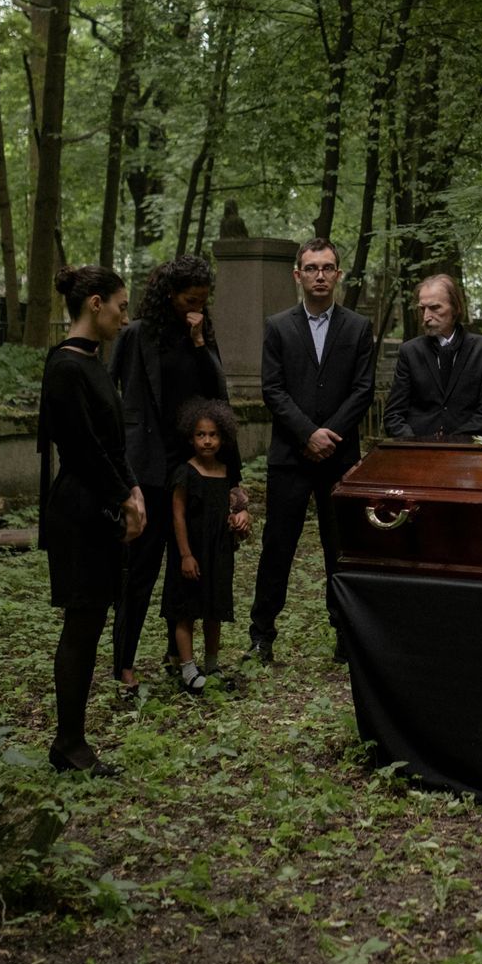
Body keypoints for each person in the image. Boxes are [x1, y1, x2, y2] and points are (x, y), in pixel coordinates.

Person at [108, 254, 248, 690]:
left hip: (194, 467)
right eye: (190, 299)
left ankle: (177, 654)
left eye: (203, 300)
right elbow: (112, 394)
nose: (196, 307)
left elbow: (219, 397)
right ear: (169, 294)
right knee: (140, 569)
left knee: (190, 563)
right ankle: (124, 663)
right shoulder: (137, 335)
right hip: (148, 466)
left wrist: (200, 341)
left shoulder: (202, 333)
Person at [39, 265, 146, 775]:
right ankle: (69, 744)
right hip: (80, 509)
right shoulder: (65, 366)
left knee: (93, 619)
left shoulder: (92, 360)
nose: (125, 317)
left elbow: (112, 440)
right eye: (121, 306)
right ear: (95, 303)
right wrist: (123, 496)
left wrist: (133, 488)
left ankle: (72, 741)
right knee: (82, 624)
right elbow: (81, 447)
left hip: (100, 501)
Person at [248, 238, 376, 665]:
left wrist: (329, 435)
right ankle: (262, 635)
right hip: (290, 456)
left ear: (338, 274)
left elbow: (363, 390)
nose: (319, 275)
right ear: (297, 275)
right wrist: (307, 434)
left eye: (327, 268)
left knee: (339, 547)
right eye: (311, 268)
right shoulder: (278, 326)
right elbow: (273, 389)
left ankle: (344, 633)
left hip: (339, 457)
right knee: (277, 546)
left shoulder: (357, 327)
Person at [164, 398, 241, 693]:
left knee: (213, 608)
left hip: (217, 551)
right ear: (190, 438)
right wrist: (185, 554)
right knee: (186, 609)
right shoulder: (185, 472)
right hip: (191, 551)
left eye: (213, 435)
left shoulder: (225, 472)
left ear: (223, 437)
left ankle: (212, 664)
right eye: (200, 434)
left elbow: (231, 507)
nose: (207, 441)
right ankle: (187, 667)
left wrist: (238, 518)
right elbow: (177, 515)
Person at [383, 273, 482, 438]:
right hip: (416, 448)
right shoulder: (410, 352)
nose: (426, 317)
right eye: (422, 309)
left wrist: (453, 444)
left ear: (456, 308)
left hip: (466, 448)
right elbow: (393, 414)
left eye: (435, 308)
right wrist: (415, 444)